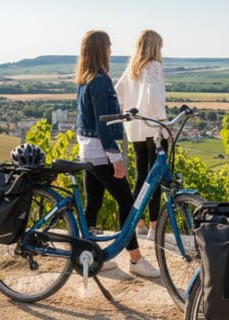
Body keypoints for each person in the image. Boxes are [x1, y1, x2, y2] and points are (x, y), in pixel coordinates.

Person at [74, 30, 160, 278]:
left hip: (87, 151)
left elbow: (94, 117)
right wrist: (115, 156)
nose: (112, 49)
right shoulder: (100, 81)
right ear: (102, 49)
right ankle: (136, 260)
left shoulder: (85, 79)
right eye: (109, 45)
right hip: (101, 153)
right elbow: (103, 123)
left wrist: (124, 115)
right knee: (127, 204)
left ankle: (86, 256)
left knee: (93, 205)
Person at [115, 29, 168, 241]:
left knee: (140, 178)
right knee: (155, 178)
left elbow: (117, 91)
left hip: (135, 129)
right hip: (153, 128)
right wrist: (162, 122)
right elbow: (154, 97)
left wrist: (128, 112)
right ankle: (155, 227)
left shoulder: (131, 69)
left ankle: (139, 223)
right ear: (155, 46)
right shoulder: (154, 66)